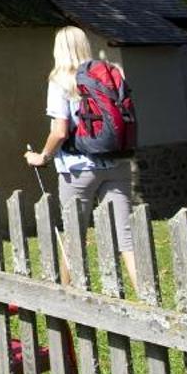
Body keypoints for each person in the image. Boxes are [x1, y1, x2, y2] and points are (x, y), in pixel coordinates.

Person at [25, 26, 140, 291]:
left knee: (74, 236)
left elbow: (60, 130)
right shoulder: (109, 73)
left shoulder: (60, 81)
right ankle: (148, 297)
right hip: (116, 161)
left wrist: (41, 156)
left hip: (78, 168)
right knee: (126, 235)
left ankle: (67, 297)